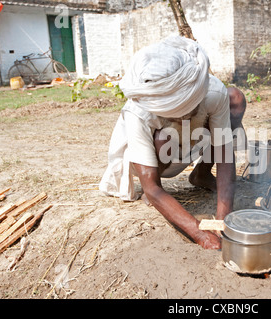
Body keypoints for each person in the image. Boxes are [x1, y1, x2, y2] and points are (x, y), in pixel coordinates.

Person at [99, 35, 246, 250]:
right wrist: (199, 233)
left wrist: (223, 220)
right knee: (163, 137)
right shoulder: (139, 112)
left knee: (235, 97)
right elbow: (152, 188)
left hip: (191, 144)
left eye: (189, 111)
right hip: (157, 159)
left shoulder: (209, 91)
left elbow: (224, 156)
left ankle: (201, 174)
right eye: (177, 116)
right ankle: (164, 203)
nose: (184, 120)